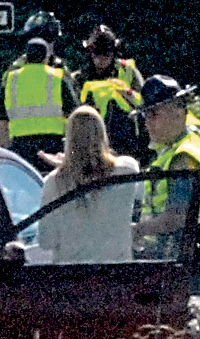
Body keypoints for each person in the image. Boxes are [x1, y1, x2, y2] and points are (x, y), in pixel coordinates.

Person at [134, 75, 200, 297]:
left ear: (178, 112)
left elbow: (177, 216)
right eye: (145, 116)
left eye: (154, 114)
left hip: (187, 252)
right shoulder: (172, 151)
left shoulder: (184, 156)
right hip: (176, 251)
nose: (147, 123)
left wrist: (136, 231)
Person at [36, 105, 139, 264]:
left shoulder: (54, 182)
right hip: (118, 275)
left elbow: (45, 241)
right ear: (103, 135)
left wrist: (66, 166)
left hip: (74, 279)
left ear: (68, 140)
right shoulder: (128, 169)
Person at [1, 32, 71, 168]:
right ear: (46, 57)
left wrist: (4, 147)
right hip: (52, 144)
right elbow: (72, 113)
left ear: (26, 58)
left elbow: (1, 118)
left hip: (20, 145)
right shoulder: (57, 77)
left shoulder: (10, 79)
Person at [75, 25, 144, 157]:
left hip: (126, 136)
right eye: (97, 53)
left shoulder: (128, 71)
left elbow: (145, 103)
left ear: (114, 52)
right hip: (93, 139)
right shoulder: (80, 78)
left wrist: (127, 93)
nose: (101, 58)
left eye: (106, 53)